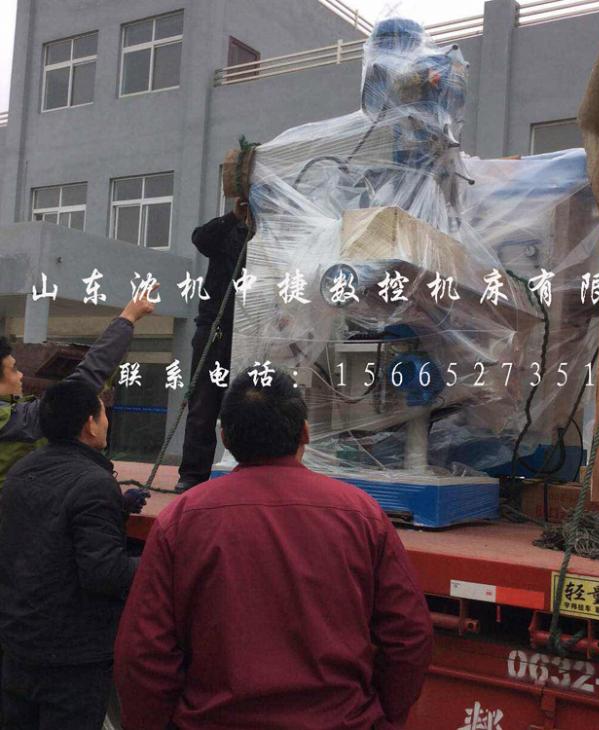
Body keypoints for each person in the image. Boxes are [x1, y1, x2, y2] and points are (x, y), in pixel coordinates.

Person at [115, 368, 433, 730]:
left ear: (224, 437)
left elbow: (142, 654)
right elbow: (410, 636)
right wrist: (381, 717)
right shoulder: (361, 516)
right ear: (305, 432)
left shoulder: (181, 521)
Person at [0, 380, 141, 729]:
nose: (107, 420)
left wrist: (116, 510)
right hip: (72, 660)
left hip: (18, 646)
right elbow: (104, 574)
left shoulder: (20, 472)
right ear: (90, 424)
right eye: (103, 413)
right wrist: (159, 561)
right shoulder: (94, 482)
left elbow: (47, 531)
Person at [0, 295, 155, 495]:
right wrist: (127, 319)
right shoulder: (14, 419)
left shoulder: (17, 416)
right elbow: (77, 390)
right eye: (13, 370)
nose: (20, 375)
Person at [175, 198, 250, 492]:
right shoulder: (230, 231)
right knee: (203, 403)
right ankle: (193, 474)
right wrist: (234, 216)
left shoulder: (273, 238)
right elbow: (201, 239)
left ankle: (247, 473)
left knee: (250, 403)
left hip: (254, 332)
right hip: (216, 329)